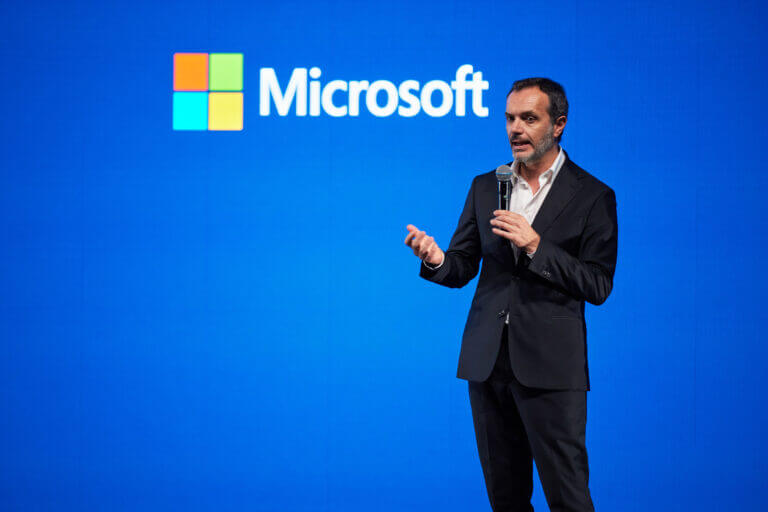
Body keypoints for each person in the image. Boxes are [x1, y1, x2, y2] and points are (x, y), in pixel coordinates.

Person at [404, 77, 618, 512]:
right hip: (487, 365)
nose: (515, 129)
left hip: (551, 369)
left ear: (558, 124)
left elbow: (598, 284)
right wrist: (436, 259)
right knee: (506, 501)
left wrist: (537, 246)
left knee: (569, 500)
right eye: (509, 118)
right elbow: (461, 266)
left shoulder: (594, 196)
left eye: (529, 119)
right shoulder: (486, 185)